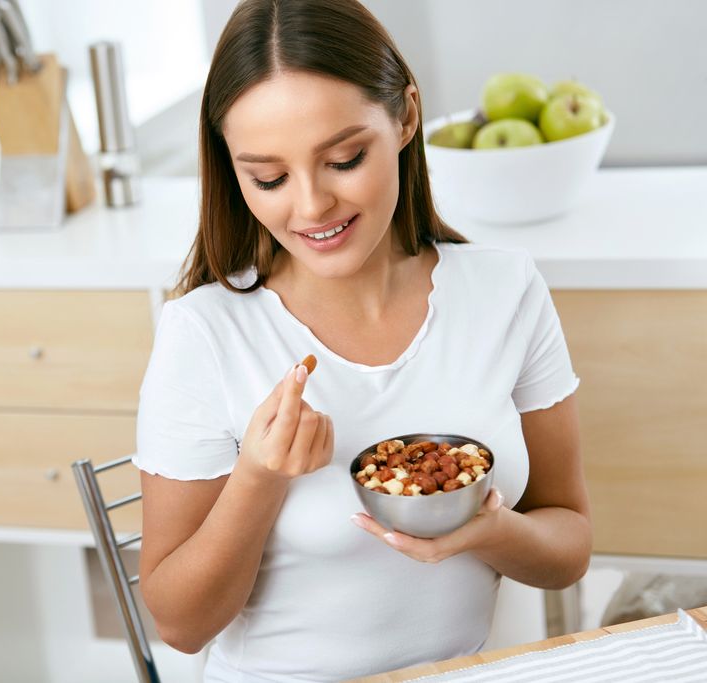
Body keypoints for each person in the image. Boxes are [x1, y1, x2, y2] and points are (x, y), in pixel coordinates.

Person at [132, 1, 592, 680]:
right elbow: (180, 624)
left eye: (344, 159)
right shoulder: (204, 332)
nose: (312, 206)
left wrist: (489, 529)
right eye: (269, 177)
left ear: (405, 117)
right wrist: (258, 478)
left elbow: (569, 546)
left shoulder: (504, 291)